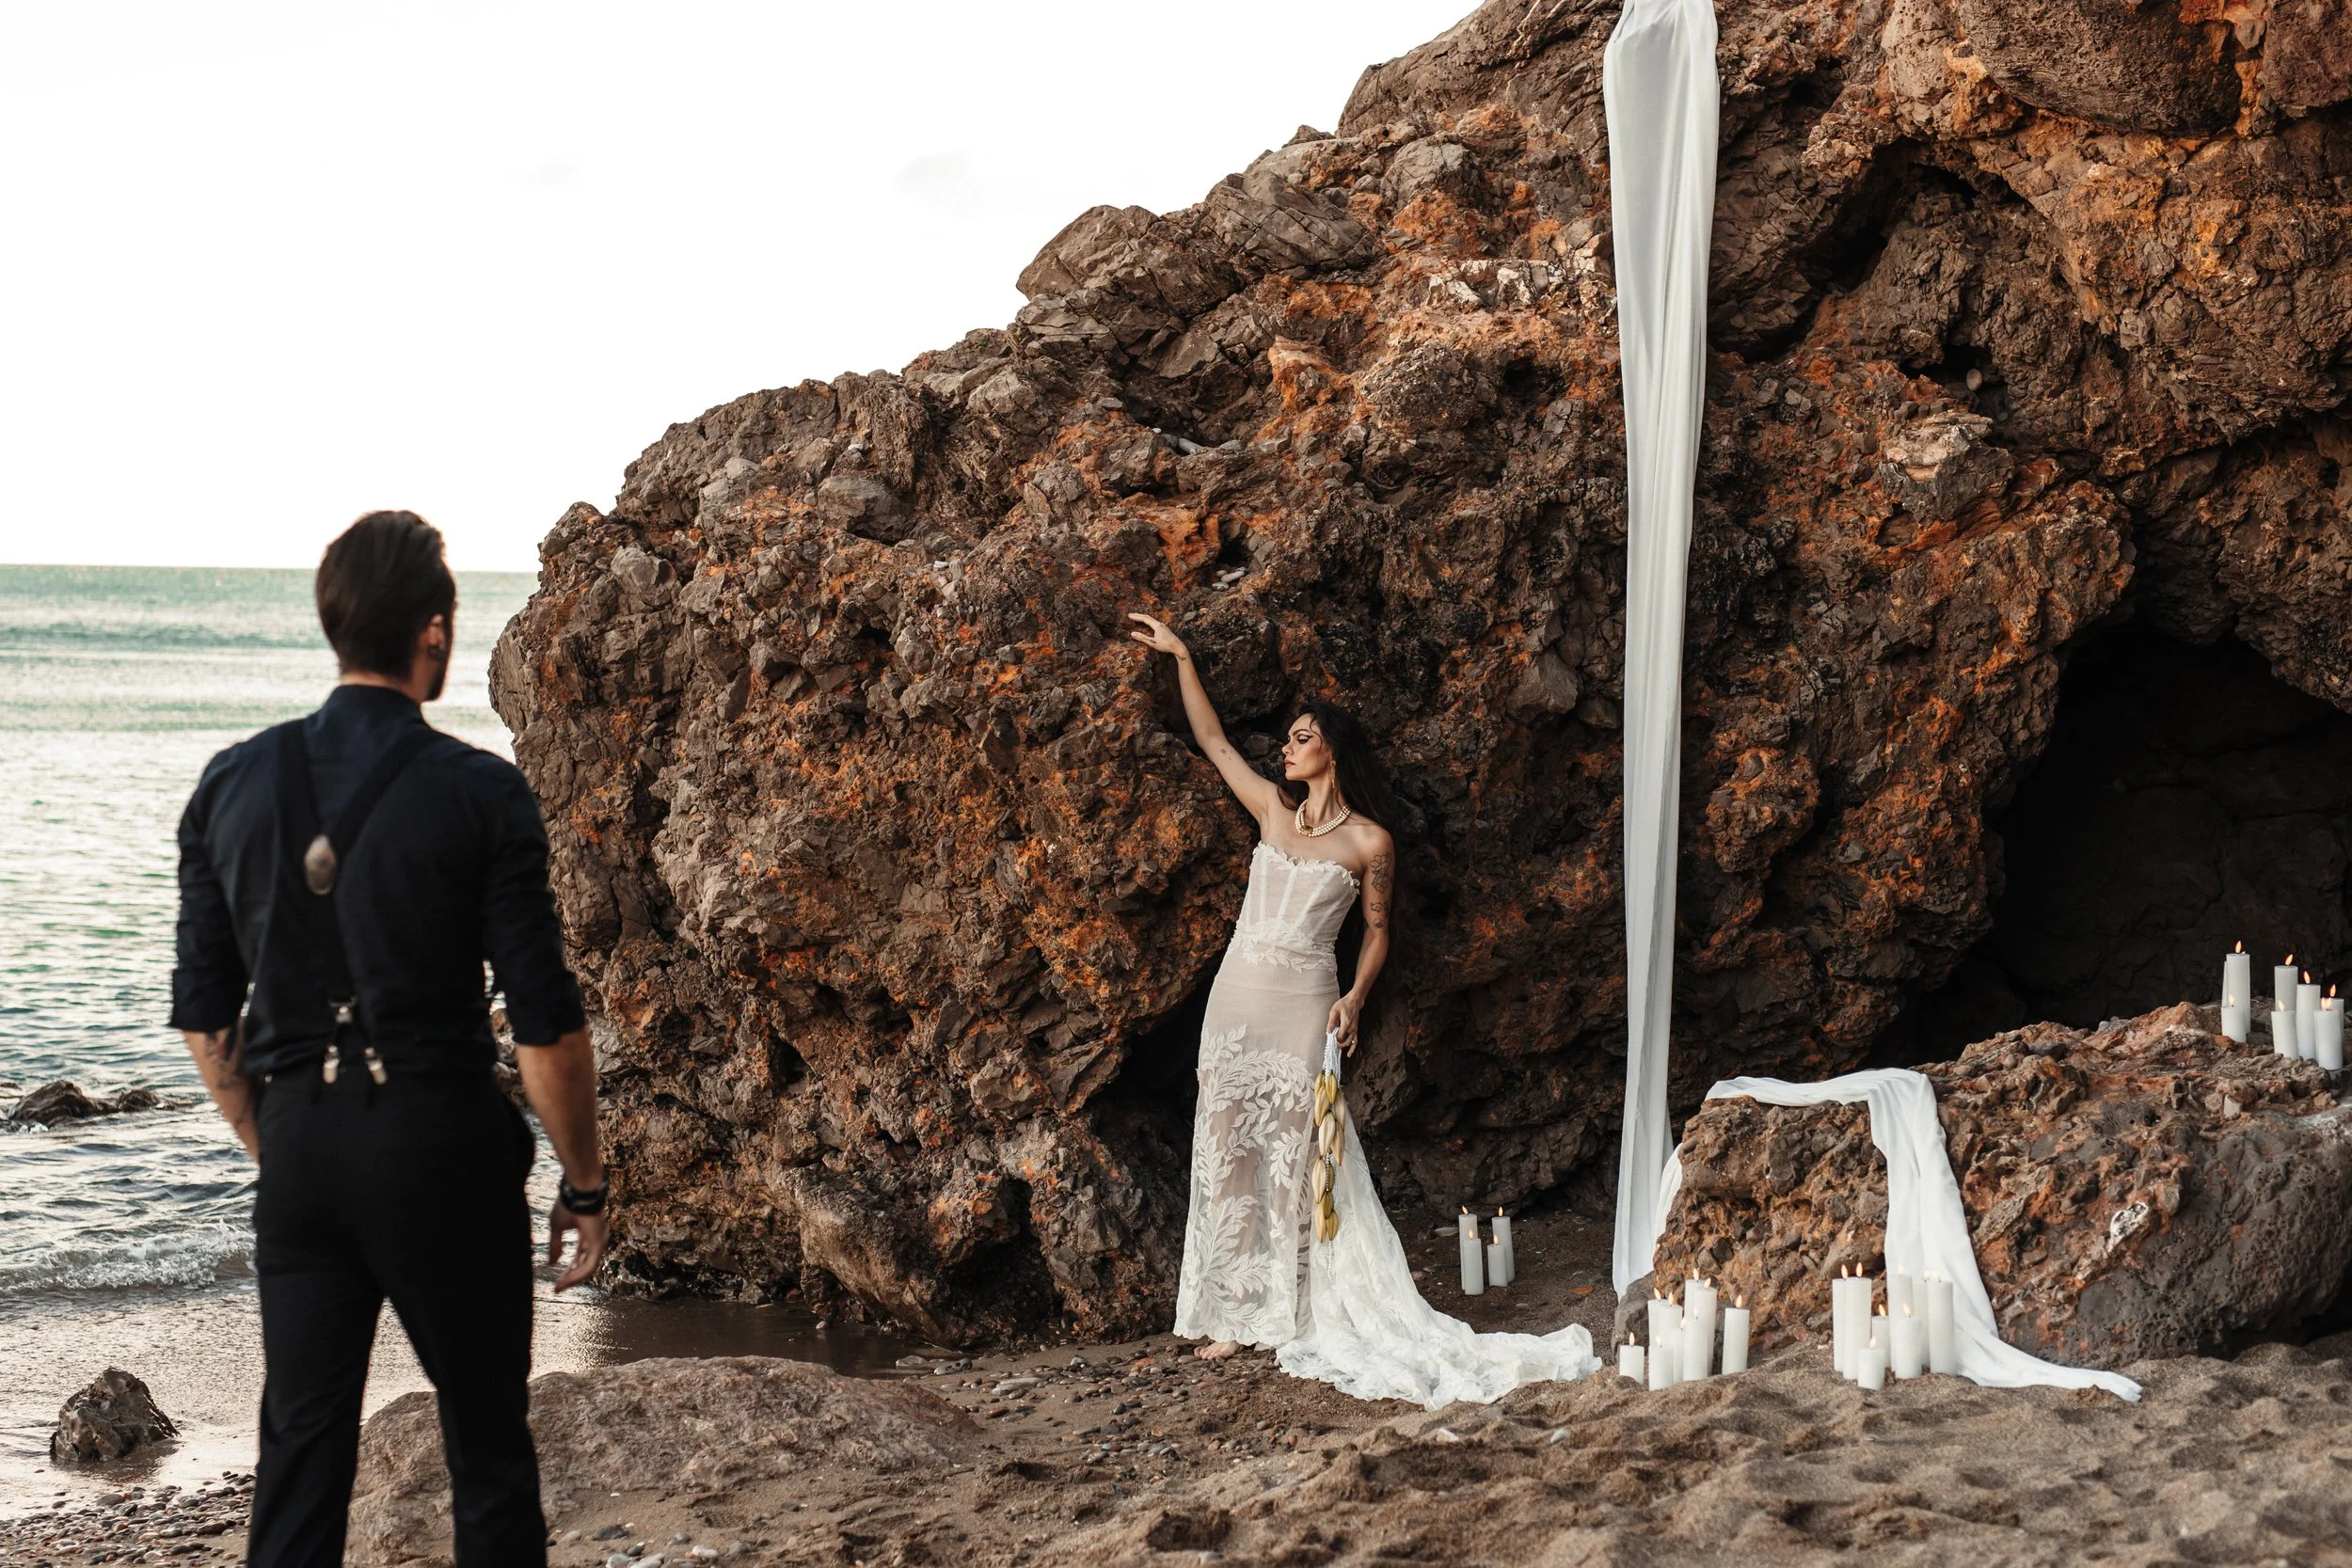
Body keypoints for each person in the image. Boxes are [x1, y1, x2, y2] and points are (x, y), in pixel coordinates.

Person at [170, 512, 607, 1567]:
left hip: (303, 1150)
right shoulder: (480, 790)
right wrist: (584, 1185)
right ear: (434, 631)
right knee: (488, 1448)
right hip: (441, 1143)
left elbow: (203, 1014)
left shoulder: (230, 782)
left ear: (335, 628)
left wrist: (279, 1141)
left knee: (301, 1450)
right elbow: (546, 1025)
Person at [1131, 610, 1597, 1406]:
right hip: (1236, 999)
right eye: (1286, 737)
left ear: (1332, 750)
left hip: (1304, 1003)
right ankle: (1230, 1309)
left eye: (1301, 735)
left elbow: (1377, 934)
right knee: (1226, 1151)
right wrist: (1182, 658)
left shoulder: (1370, 843)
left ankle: (1290, 1304)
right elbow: (1212, 742)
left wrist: (1354, 997)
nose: (1286, 746)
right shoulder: (1272, 811)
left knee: (1295, 1155)